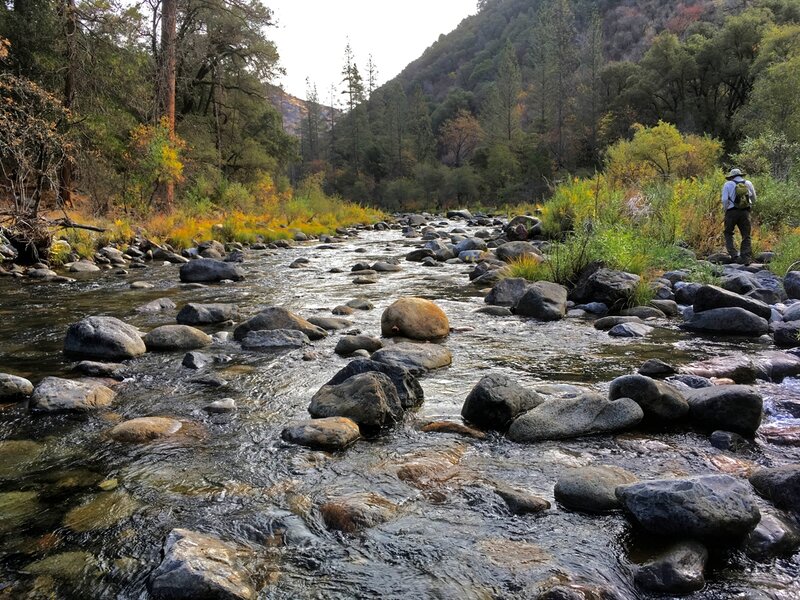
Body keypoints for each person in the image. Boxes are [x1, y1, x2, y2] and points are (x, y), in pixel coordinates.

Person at [721, 167, 756, 264]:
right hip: (745, 212)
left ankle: (734, 256)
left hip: (731, 212)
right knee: (746, 235)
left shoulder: (727, 184)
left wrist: (725, 209)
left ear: (731, 176)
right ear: (740, 175)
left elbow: (724, 200)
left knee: (728, 232)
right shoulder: (748, 183)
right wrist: (749, 206)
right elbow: (754, 198)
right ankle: (746, 258)